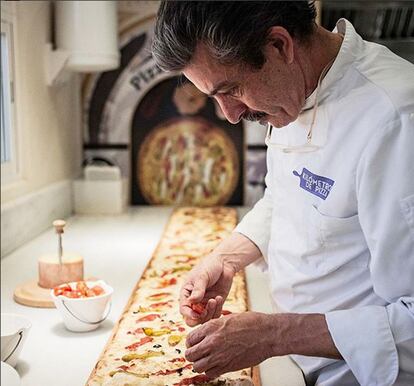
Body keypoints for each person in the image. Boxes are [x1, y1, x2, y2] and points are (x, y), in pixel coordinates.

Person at [152, 1, 414, 385]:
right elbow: (287, 197)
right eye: (214, 97)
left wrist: (275, 334)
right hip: (292, 364)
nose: (230, 114)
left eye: (232, 89)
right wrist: (225, 259)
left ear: (279, 46)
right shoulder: (292, 89)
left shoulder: (397, 117)